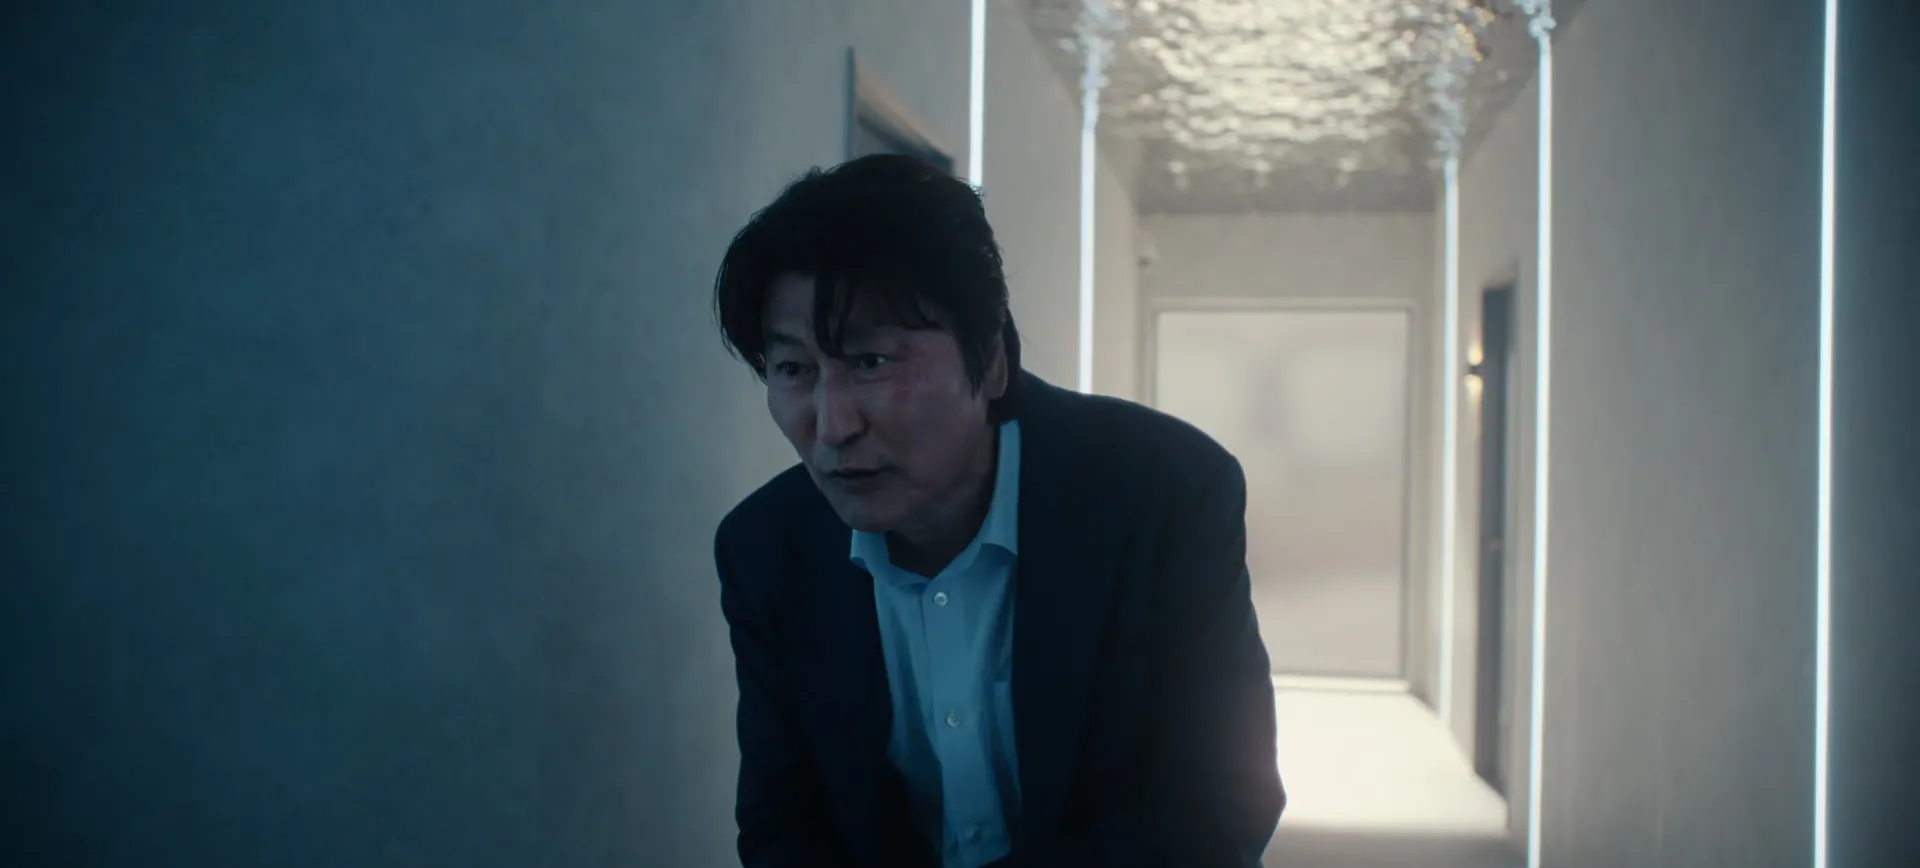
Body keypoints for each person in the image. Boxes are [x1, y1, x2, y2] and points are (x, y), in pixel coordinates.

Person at [710, 153, 1284, 868]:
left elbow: (1222, 805)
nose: (831, 426)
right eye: (794, 369)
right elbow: (782, 824)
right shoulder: (764, 549)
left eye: (871, 361)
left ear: (988, 360)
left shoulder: (1166, 491)